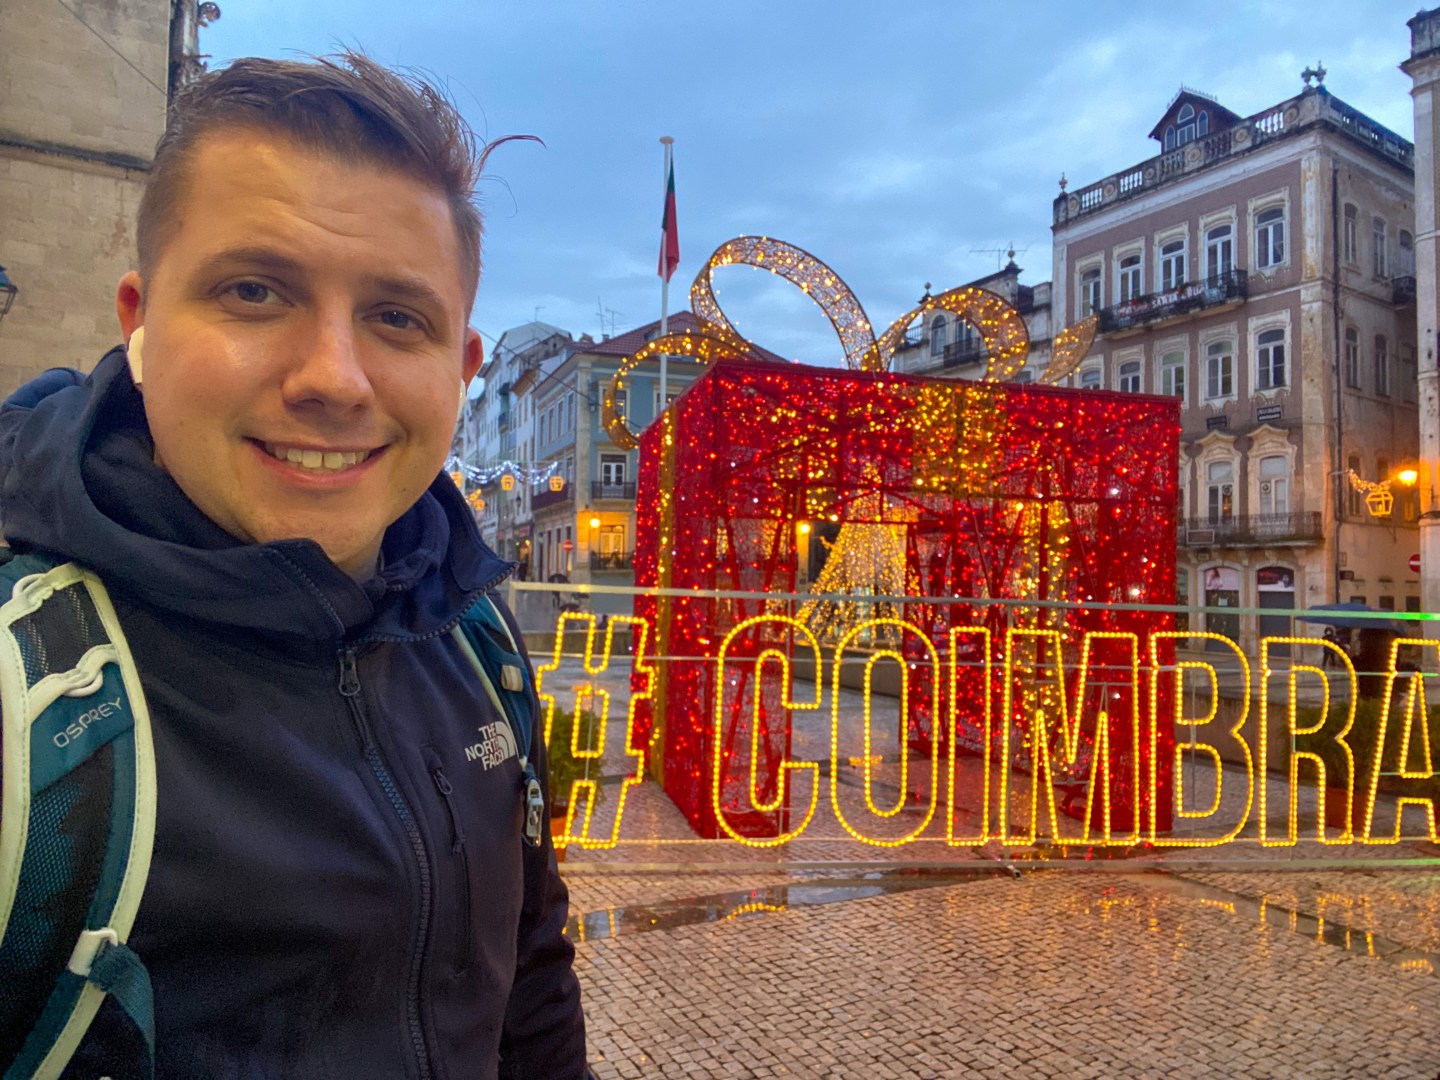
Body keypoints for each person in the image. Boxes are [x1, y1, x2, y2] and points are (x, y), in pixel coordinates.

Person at [0, 53, 587, 1078]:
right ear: (140, 323)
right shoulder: (28, 701)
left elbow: (529, 977)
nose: (335, 379)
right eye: (255, 291)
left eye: (397, 317)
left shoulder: (474, 634)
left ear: (460, 368)